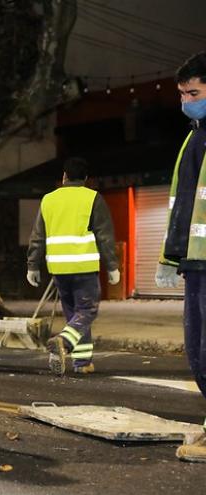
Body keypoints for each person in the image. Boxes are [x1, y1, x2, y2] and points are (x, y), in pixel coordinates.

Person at [155, 51, 206, 461]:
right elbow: (182, 205)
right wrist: (169, 258)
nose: (186, 100)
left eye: (194, 92)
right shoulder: (194, 137)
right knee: (197, 349)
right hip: (195, 263)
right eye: (183, 94)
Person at [26, 157, 119, 376]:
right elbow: (105, 236)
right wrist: (113, 267)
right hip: (84, 266)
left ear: (64, 176)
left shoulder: (48, 200)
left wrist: (33, 265)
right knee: (87, 311)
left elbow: (37, 236)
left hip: (59, 269)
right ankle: (64, 342)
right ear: (86, 179)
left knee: (74, 316)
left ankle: (82, 362)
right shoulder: (93, 198)